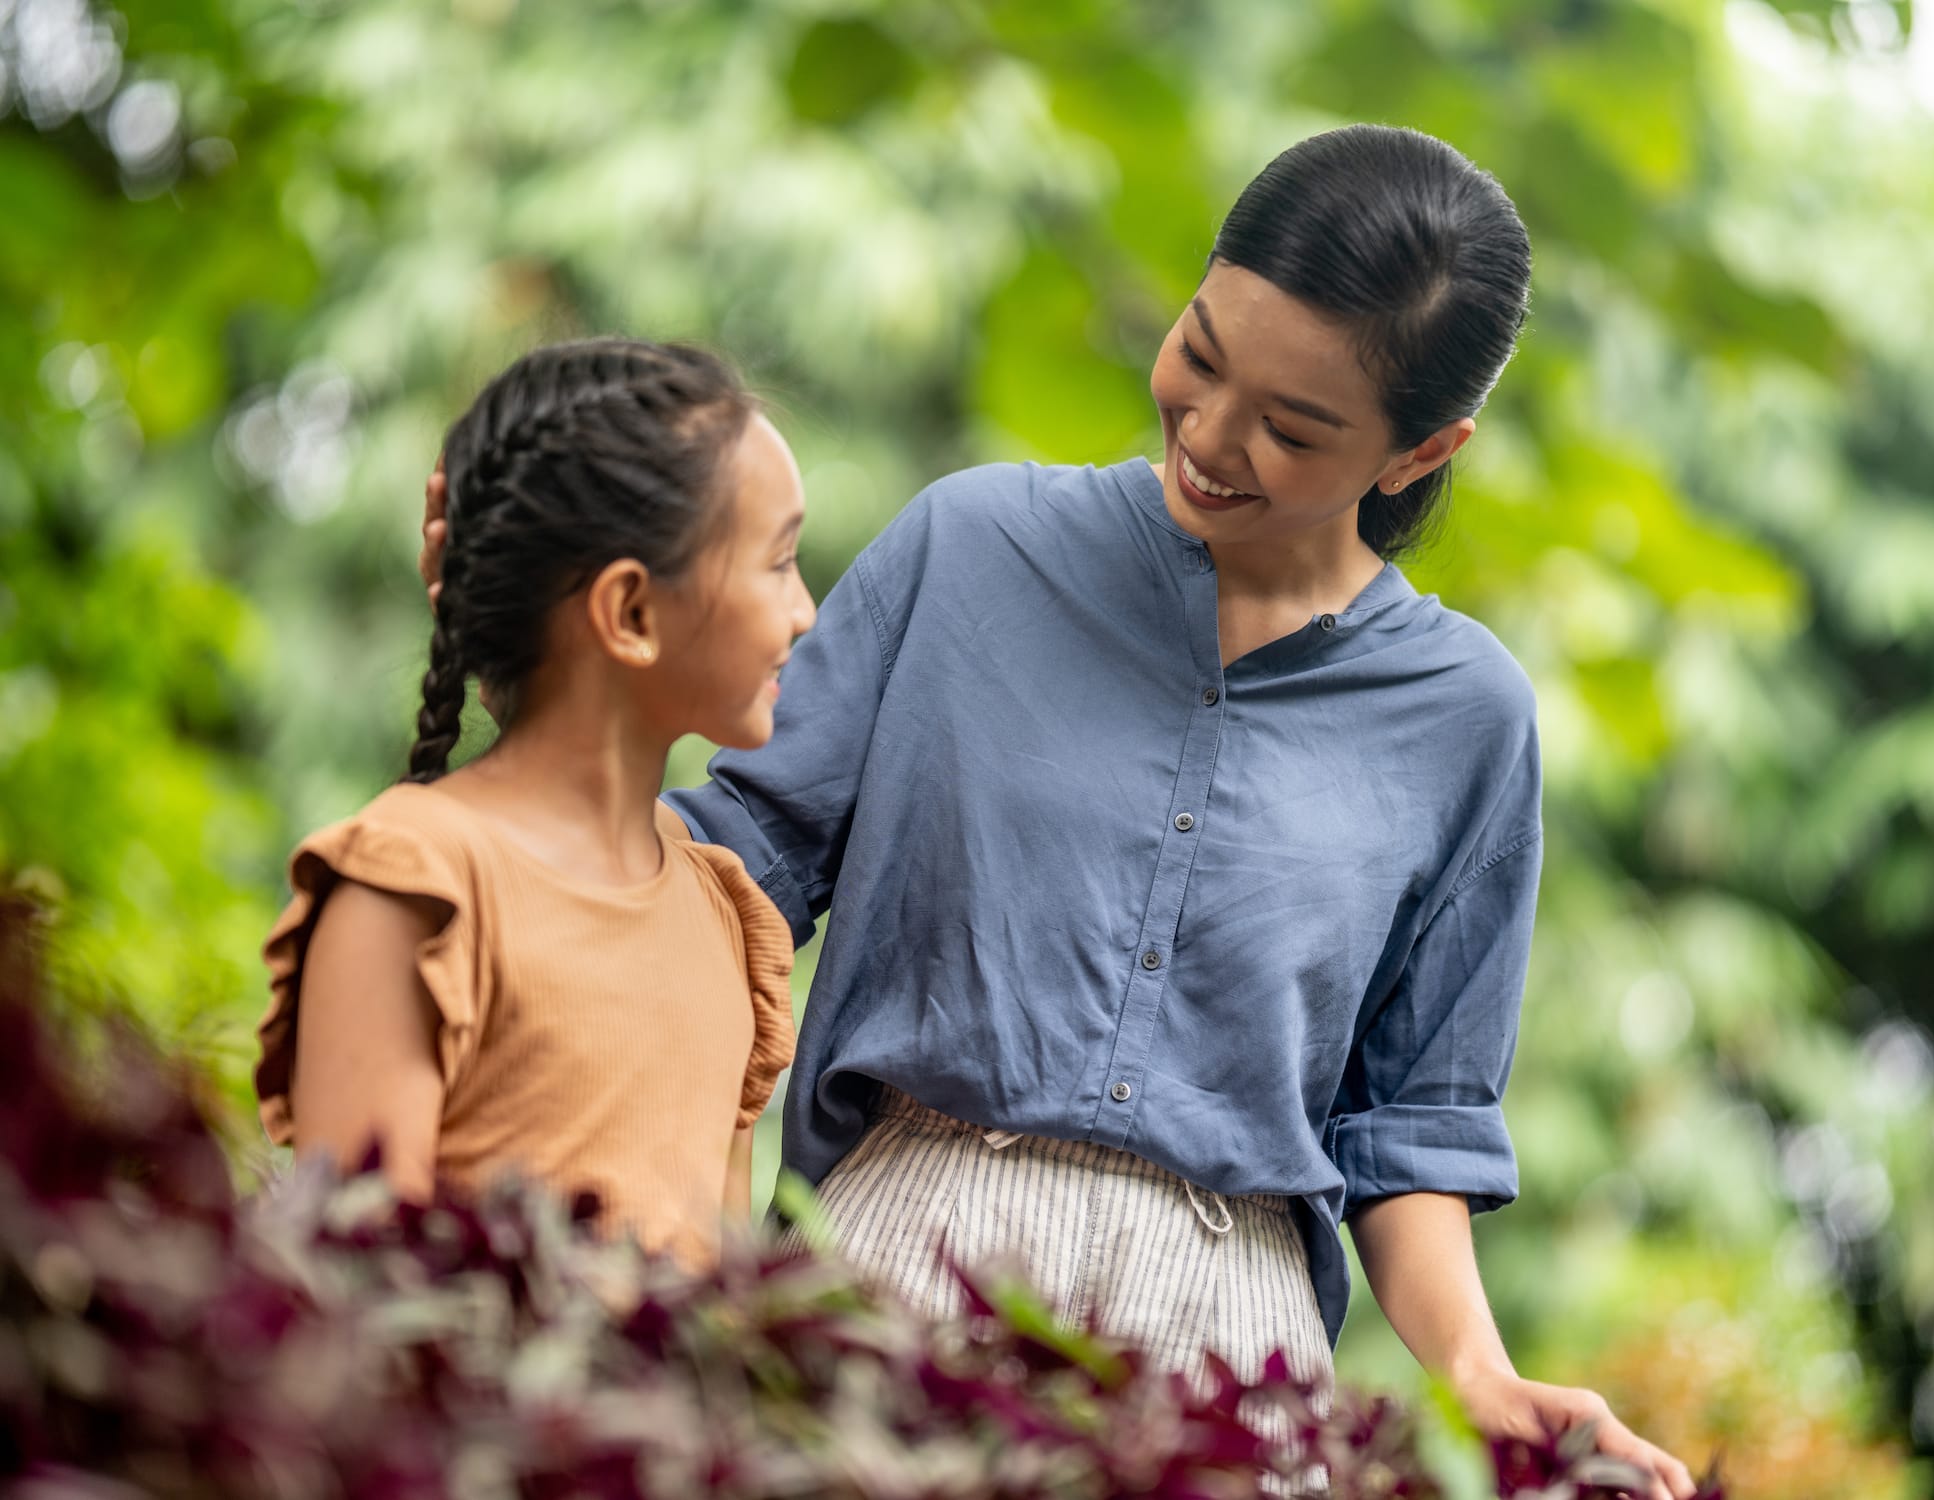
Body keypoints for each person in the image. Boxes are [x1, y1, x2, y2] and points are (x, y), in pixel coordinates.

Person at [420, 125, 1690, 1498]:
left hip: (1233, 1358)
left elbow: (1409, 1130)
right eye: (1201, 355)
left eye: (1293, 428)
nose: (1209, 435)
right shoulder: (971, 547)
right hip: (906, 1261)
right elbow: (731, 871)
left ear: (1421, 451)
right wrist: (535, 662)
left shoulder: (1469, 720)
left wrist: (1479, 1375)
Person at [262, 338, 813, 1269]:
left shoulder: (723, 915)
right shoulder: (418, 887)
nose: (804, 611)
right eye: (779, 562)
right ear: (632, 613)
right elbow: (348, 1299)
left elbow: (720, 1300)